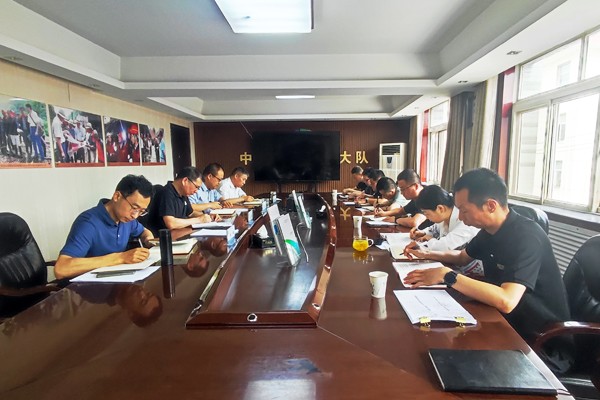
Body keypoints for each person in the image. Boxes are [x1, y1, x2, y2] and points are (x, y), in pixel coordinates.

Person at [404, 168, 570, 348]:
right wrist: (426, 253)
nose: (460, 217)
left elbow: (507, 300)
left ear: (491, 206)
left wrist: (447, 276)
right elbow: (462, 257)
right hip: (503, 319)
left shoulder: (527, 236)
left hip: (538, 339)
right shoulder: (489, 231)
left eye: (464, 210)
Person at [55, 175, 155, 279]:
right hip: (87, 286)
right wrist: (120, 258)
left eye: (141, 211)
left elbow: (144, 231)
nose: (135, 215)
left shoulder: (127, 219)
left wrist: (149, 239)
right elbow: (61, 269)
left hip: (117, 281)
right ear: (117, 196)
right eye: (134, 208)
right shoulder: (88, 223)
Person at [403, 185, 479, 252]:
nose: (427, 218)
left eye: (427, 213)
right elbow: (434, 229)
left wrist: (428, 240)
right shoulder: (446, 215)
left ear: (440, 208)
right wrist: (423, 233)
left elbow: (445, 246)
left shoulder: (465, 220)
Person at [146, 166, 212, 234]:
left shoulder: (183, 194)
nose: (196, 191)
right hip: (165, 237)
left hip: (180, 233)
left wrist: (208, 216)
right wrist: (199, 220)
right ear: (185, 181)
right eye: (196, 187)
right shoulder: (166, 193)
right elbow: (171, 223)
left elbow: (190, 213)